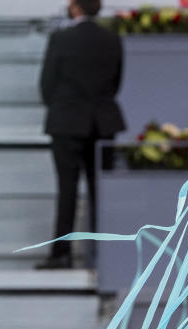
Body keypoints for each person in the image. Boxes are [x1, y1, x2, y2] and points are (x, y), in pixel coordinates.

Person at [36, 0, 126, 269]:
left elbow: (46, 85)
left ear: (75, 8)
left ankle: (62, 254)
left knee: (67, 190)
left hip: (67, 122)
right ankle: (102, 257)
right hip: (102, 123)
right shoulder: (112, 39)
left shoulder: (61, 39)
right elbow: (116, 82)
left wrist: (65, 107)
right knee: (101, 192)